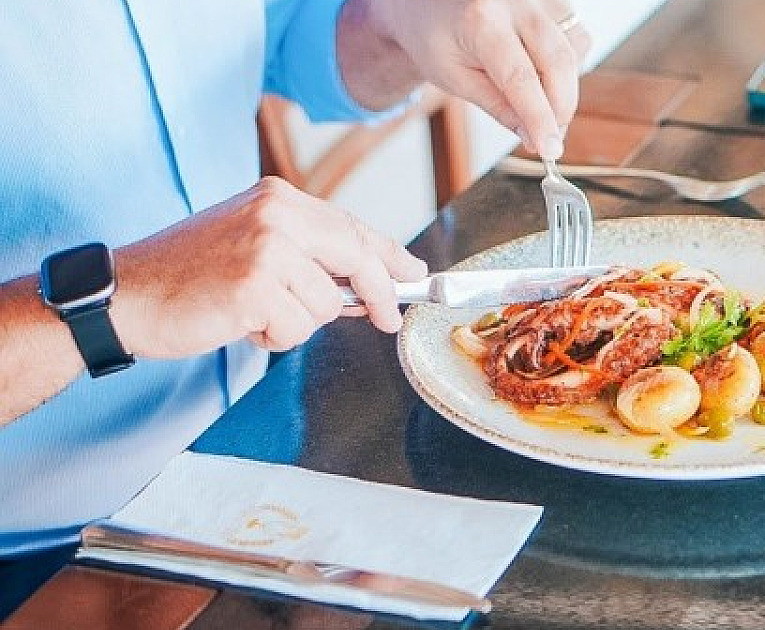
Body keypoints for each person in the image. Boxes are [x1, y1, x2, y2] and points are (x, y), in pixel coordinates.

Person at [0, 0, 590, 557]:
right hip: (43, 552)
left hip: (262, 451)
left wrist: (397, 18)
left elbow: (287, 39)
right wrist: (115, 301)